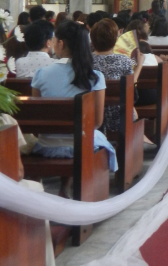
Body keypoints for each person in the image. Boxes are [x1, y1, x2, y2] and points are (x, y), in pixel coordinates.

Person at [30, 21, 118, 192]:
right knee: (90, 135)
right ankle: (66, 188)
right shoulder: (94, 77)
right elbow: (97, 122)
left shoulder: (42, 74)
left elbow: (36, 117)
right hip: (81, 145)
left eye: (54, 40)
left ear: (61, 44)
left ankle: (49, 188)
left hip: (47, 146)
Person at [90, 18, 143, 134]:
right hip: (119, 116)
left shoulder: (85, 61)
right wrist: (139, 65)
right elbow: (130, 89)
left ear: (92, 40)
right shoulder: (124, 60)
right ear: (115, 40)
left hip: (91, 114)